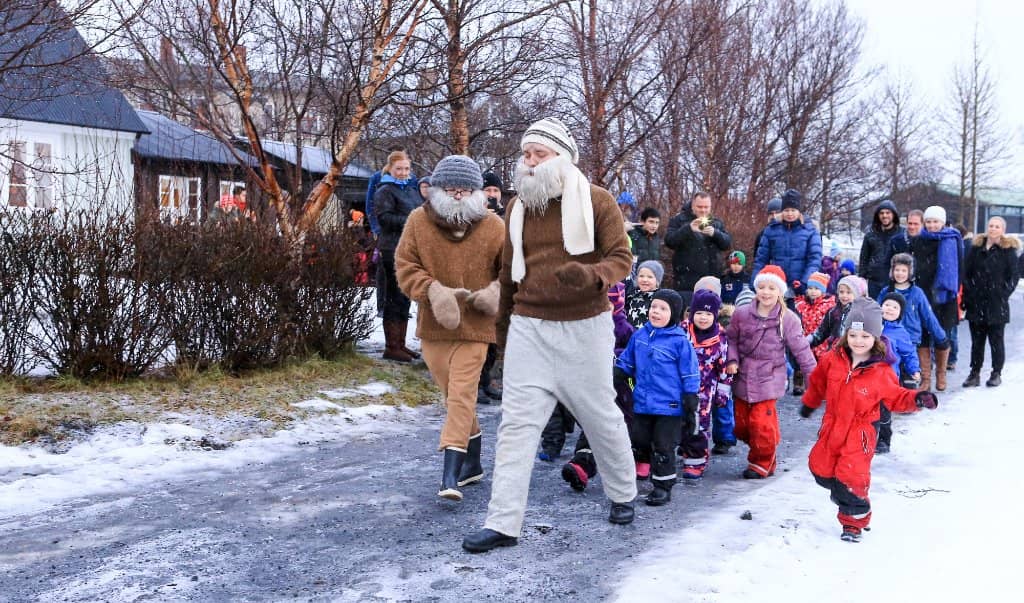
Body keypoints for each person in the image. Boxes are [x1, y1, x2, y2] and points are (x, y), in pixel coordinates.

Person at [463, 117, 637, 553]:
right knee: (516, 427)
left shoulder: (597, 201)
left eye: (539, 154)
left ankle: (622, 494)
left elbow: (622, 258)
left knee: (601, 417)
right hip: (529, 328)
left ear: (562, 158)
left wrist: (592, 275)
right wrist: (502, 334)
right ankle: (503, 522)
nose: (530, 162)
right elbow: (506, 275)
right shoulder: (517, 206)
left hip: (586, 327)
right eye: (526, 154)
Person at [395, 155, 504, 501]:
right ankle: (473, 464)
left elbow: (512, 272)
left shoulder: (493, 226)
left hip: (476, 327)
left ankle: (450, 477)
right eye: (452, 189)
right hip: (434, 328)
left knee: (461, 395)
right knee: (454, 398)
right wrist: (432, 290)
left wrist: (495, 293)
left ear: (478, 192)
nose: (458, 195)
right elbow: (405, 265)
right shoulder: (417, 221)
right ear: (436, 189)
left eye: (466, 189)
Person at [800, 297, 938, 543]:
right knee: (820, 468)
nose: (858, 341)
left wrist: (917, 399)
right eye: (853, 335)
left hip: (861, 431)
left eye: (865, 337)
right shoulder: (833, 358)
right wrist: (810, 403)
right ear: (846, 334)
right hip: (832, 425)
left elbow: (897, 397)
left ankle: (854, 521)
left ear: (875, 338)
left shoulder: (881, 371)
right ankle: (844, 496)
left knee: (852, 476)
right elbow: (819, 382)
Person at [725, 265, 816, 479]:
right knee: (742, 426)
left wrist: (815, 381)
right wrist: (732, 359)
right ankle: (762, 447)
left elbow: (801, 350)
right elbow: (731, 340)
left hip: (769, 377)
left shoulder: (788, 319)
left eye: (771, 288)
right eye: (762, 287)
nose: (766, 292)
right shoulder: (742, 314)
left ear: (780, 292)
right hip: (743, 376)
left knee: (761, 425)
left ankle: (762, 460)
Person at [615, 289, 700, 505]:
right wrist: (617, 375)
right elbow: (627, 361)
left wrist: (690, 397)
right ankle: (642, 465)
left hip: (669, 406)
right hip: (642, 403)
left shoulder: (680, 342)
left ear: (674, 314)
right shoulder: (640, 335)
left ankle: (663, 486)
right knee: (639, 439)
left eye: (663, 309)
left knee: (663, 446)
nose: (656, 312)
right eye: (654, 307)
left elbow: (690, 371)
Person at [374, 150, 423, 362]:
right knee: (394, 297)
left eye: (406, 169)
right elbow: (384, 219)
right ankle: (391, 345)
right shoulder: (385, 190)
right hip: (391, 248)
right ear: (390, 169)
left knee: (404, 297)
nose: (403, 172)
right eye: (399, 169)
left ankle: (401, 344)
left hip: (410, 248)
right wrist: (411, 220)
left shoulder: (411, 190)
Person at [909, 206, 963, 391]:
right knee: (923, 334)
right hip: (923, 293)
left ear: (943, 222)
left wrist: (955, 290)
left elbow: (960, 268)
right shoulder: (918, 240)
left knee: (942, 335)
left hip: (944, 294)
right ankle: (926, 378)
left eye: (936, 221)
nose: (932, 225)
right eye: (929, 221)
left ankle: (941, 373)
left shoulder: (953, 239)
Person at [962, 216, 1020, 388]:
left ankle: (996, 373)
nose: (993, 229)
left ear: (1003, 230)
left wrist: (1003, 293)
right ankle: (975, 373)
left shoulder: (1007, 251)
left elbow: (1013, 276)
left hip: (997, 304)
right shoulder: (976, 248)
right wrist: (969, 293)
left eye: (997, 226)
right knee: (977, 342)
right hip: (976, 302)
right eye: (991, 225)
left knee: (996, 341)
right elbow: (967, 272)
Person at [877, 253, 949, 391]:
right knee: (889, 368)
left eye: (904, 270)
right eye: (897, 270)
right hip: (888, 337)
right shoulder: (885, 291)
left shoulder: (917, 293)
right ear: (892, 271)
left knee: (908, 368)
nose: (900, 273)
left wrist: (940, 336)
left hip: (910, 338)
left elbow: (928, 316)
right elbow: (875, 312)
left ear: (910, 272)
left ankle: (909, 391)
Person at [680, 289, 732, 478]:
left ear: (715, 316)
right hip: (678, 387)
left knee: (698, 425)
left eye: (708, 314)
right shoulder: (683, 331)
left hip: (705, 390)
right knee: (677, 422)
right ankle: (674, 452)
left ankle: (695, 460)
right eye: (699, 313)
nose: (703, 318)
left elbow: (724, 367)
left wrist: (723, 392)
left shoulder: (720, 338)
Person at [664, 192, 732, 308]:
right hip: (686, 282)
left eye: (706, 207)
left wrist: (715, 233)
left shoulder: (716, 222)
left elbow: (727, 244)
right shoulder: (679, 220)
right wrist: (688, 228)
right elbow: (669, 241)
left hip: (711, 280)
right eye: (700, 207)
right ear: (692, 206)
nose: (703, 210)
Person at [752, 189, 822, 299]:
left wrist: (804, 283)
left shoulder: (810, 230)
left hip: (800, 287)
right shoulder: (771, 230)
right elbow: (761, 259)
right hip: (775, 285)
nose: (790, 214)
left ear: (799, 211)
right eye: (786, 210)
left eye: (793, 210)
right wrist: (755, 282)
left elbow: (814, 260)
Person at [876, 292, 922, 454]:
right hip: (866, 375)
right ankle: (863, 438)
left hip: (888, 377)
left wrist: (914, 369)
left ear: (900, 312)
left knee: (883, 409)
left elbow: (909, 353)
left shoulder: (900, 332)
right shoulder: (871, 324)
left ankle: (883, 440)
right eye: (887, 305)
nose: (889, 309)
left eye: (895, 307)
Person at [859, 200, 906, 298]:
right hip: (874, 281)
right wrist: (862, 278)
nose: (884, 216)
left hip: (895, 280)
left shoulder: (902, 234)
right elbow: (864, 258)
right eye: (881, 213)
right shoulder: (870, 234)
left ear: (893, 214)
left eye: (888, 213)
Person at [795, 272, 836, 361]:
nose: (813, 291)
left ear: (823, 290)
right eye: (810, 288)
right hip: (807, 343)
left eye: (817, 288)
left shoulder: (828, 305)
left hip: (822, 345)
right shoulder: (802, 305)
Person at [626, 260, 663, 328]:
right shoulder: (631, 296)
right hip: (631, 336)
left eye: (650, 277)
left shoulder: (660, 299)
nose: (645, 279)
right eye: (641, 276)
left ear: (657, 280)